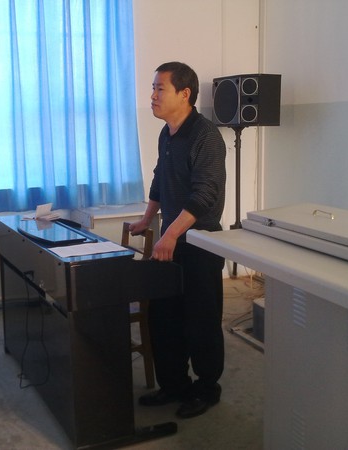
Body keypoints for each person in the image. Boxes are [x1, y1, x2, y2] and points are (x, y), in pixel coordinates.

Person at [129, 61, 226, 419]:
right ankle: (174, 385)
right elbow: (160, 180)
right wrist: (147, 219)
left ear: (184, 94)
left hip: (200, 242)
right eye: (152, 88)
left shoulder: (205, 135)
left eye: (160, 89)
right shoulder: (166, 133)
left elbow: (205, 196)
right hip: (171, 241)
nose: (153, 96)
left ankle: (207, 388)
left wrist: (170, 233)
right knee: (164, 319)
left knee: (200, 321)